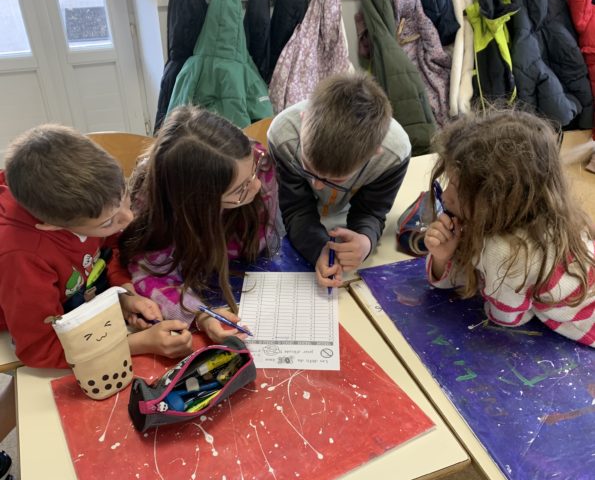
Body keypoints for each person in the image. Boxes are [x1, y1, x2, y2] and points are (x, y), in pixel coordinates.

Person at [0, 125, 193, 370]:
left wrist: (123, 295)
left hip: (77, 310)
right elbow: (41, 349)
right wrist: (136, 344)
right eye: (108, 223)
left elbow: (109, 251)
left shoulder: (85, 209)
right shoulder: (21, 256)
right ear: (52, 226)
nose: (128, 219)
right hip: (26, 328)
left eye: (125, 197)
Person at [424, 110, 595, 346]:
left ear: (495, 199)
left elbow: (508, 317)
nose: (446, 197)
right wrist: (443, 257)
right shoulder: (547, 213)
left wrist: (476, 269)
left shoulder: (506, 253)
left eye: (457, 187)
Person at [119, 105, 279, 342]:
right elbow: (151, 275)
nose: (257, 186)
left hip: (246, 269)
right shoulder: (154, 206)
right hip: (202, 280)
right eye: (240, 189)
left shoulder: (257, 162)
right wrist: (201, 316)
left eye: (252, 171)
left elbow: (262, 239)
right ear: (196, 203)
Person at [267, 72, 411, 288]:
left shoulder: (394, 155)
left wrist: (365, 241)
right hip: (291, 227)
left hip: (340, 220)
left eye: (337, 179)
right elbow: (296, 208)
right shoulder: (283, 137)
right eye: (308, 168)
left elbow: (371, 212)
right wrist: (318, 248)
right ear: (303, 119)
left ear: (376, 153)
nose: (316, 185)